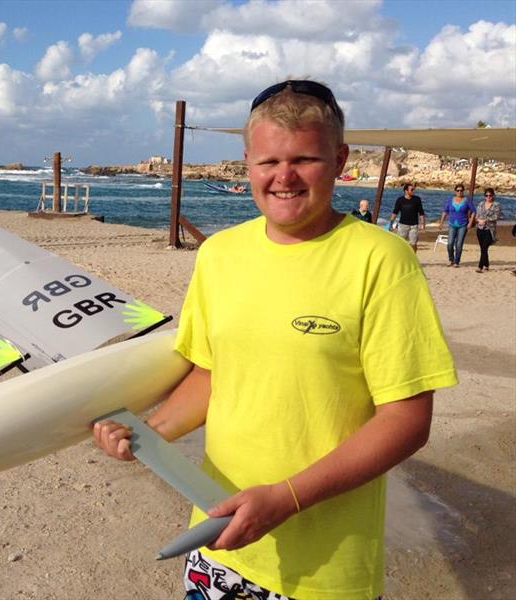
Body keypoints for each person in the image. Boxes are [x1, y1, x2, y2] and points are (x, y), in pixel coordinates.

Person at [93, 79, 457, 600]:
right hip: (217, 541)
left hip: (324, 570)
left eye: (304, 159)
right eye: (268, 162)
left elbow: (406, 420)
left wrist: (286, 498)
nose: (283, 177)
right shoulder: (220, 255)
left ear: (339, 159)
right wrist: (145, 437)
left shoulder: (380, 260)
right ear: (247, 162)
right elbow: (213, 374)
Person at [438, 184, 476, 267]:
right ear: (455, 191)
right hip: (452, 224)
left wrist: (470, 223)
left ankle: (456, 261)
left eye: (461, 190)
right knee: (450, 243)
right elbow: (445, 211)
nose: (459, 192)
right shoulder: (450, 200)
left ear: (463, 191)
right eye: (458, 190)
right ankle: (451, 259)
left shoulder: (467, 200)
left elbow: (473, 211)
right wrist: (441, 222)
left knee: (459, 244)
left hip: (463, 224)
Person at [389, 183, 425, 252]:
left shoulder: (417, 199)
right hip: (403, 225)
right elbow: (395, 212)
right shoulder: (400, 200)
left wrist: (422, 224)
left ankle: (413, 257)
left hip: (414, 225)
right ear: (406, 191)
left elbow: (421, 212)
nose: (413, 191)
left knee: (413, 244)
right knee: (401, 243)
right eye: (411, 190)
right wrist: (391, 224)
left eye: (413, 190)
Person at [474, 187, 501, 273]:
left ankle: (480, 267)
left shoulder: (496, 205)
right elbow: (476, 215)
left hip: (490, 229)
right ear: (484, 196)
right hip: (480, 229)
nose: (488, 197)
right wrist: (478, 220)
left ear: (493, 196)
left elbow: (496, 216)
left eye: (490, 195)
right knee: (483, 248)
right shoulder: (481, 204)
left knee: (485, 247)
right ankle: (487, 264)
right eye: (486, 195)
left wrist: (486, 220)